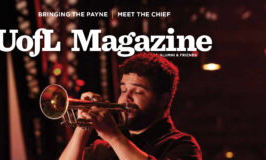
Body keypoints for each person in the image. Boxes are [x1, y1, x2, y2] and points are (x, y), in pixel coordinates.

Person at [59, 52, 202, 160]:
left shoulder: (183, 145)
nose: (126, 98)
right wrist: (82, 130)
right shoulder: (102, 147)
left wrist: (114, 137)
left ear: (163, 99)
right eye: (123, 90)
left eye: (138, 91)